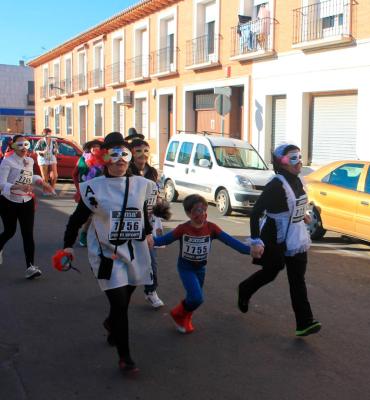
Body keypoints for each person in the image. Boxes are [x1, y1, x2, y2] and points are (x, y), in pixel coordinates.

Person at [61, 131, 156, 375]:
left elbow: (143, 215)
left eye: (124, 155)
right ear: (105, 159)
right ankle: (125, 357)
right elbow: (76, 219)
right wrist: (68, 246)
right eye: (114, 155)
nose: (120, 160)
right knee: (120, 303)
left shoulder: (142, 185)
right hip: (107, 253)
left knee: (124, 299)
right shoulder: (94, 189)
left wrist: (148, 232)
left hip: (135, 252)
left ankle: (111, 322)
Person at [237, 143, 321, 337]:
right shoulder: (276, 185)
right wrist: (256, 241)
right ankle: (245, 289)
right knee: (271, 271)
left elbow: (296, 204)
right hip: (275, 235)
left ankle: (304, 322)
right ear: (280, 162)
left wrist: (303, 215)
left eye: (299, 156)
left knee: (297, 279)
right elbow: (256, 212)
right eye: (292, 158)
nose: (298, 161)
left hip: (296, 235)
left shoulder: (297, 181)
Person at [153, 194, 250, 334]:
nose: (202, 214)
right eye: (197, 210)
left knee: (193, 297)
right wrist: (147, 239)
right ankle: (177, 314)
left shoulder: (212, 228)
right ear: (188, 213)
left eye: (204, 209)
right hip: (186, 268)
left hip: (201, 268)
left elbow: (232, 242)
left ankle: (185, 318)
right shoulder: (182, 229)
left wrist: (251, 251)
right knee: (197, 297)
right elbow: (163, 240)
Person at [0, 135, 55, 278]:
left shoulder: (29, 160)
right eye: (20, 145)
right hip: (8, 202)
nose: (24, 148)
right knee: (9, 231)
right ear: (13, 147)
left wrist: (42, 182)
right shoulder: (7, 162)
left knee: (28, 234)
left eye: (26, 145)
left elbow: (30, 176)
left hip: (26, 201)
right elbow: (1, 184)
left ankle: (30, 267)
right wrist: (18, 187)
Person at [128, 138, 164, 309]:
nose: (143, 156)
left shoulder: (153, 172)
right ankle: (120, 290)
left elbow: (156, 194)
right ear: (132, 153)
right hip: (131, 223)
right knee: (128, 261)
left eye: (146, 151)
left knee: (151, 261)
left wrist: (159, 203)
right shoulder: (126, 171)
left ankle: (151, 291)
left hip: (149, 224)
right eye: (138, 152)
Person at [72, 139, 104, 247]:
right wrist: (78, 189)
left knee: (100, 215)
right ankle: (84, 234)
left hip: (101, 190)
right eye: (93, 146)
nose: (95, 148)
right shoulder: (83, 159)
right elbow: (74, 175)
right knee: (89, 215)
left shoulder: (105, 158)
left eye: (98, 146)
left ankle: (98, 236)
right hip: (86, 190)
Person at [33, 128, 58, 193]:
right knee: (45, 177)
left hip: (51, 158)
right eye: (46, 134)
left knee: (55, 176)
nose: (47, 136)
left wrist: (55, 151)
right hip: (43, 159)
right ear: (43, 134)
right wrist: (42, 152)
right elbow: (35, 150)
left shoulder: (54, 141)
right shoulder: (40, 141)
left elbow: (56, 150)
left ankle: (52, 188)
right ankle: (46, 190)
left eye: (49, 134)